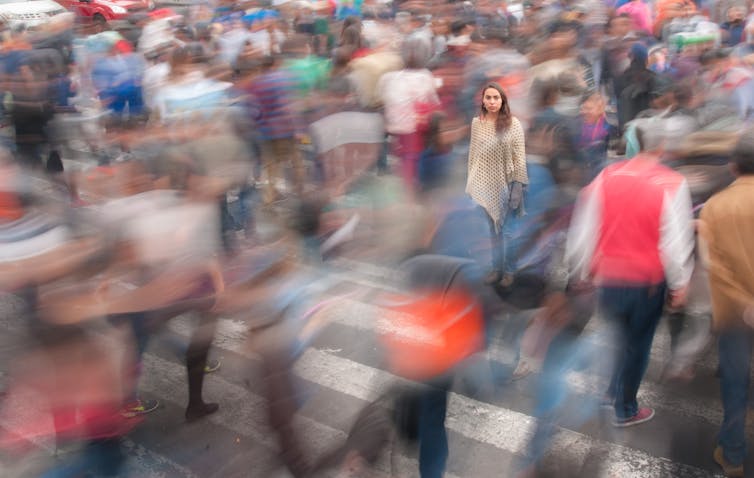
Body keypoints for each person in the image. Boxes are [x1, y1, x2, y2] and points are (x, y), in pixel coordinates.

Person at [566, 118, 695, 427]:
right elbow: (675, 242)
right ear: (662, 146)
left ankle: (608, 392)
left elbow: (584, 228)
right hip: (646, 283)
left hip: (608, 279)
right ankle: (625, 407)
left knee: (615, 337)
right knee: (638, 344)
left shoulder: (605, 176)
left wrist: (579, 270)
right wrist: (680, 284)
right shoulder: (673, 183)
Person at [698, 133, 754, 478]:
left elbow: (713, 265)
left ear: (732, 166)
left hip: (735, 316)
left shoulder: (715, 207)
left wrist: (746, 303)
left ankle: (732, 456)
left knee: (735, 384)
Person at [466, 82, 528, 286]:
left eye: (496, 98)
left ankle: (509, 271)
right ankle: (496, 268)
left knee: (508, 233)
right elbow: (473, 156)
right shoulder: (477, 123)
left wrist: (517, 186)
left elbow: (519, 158)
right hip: (485, 185)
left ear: (503, 101)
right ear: (483, 101)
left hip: (508, 185)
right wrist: (471, 184)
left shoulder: (513, 124)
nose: (492, 102)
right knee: (492, 231)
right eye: (488, 98)